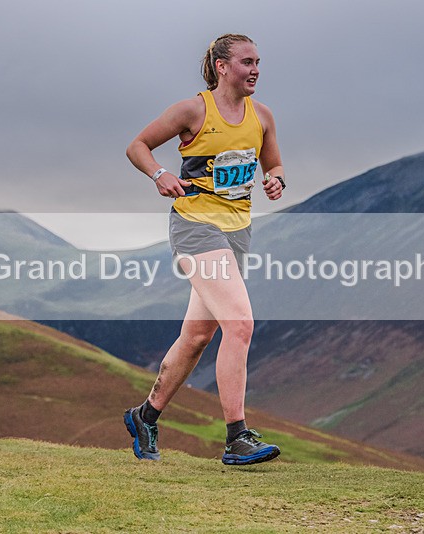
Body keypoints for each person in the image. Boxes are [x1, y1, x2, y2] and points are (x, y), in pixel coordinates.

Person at [124, 33, 286, 465]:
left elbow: (274, 163)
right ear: (222, 66)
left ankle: (145, 416)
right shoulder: (193, 110)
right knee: (240, 324)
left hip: (238, 232)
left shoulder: (262, 116)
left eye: (258, 62)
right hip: (196, 227)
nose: (255, 70)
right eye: (247, 62)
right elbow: (137, 146)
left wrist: (276, 180)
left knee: (197, 336)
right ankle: (236, 437)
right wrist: (159, 174)